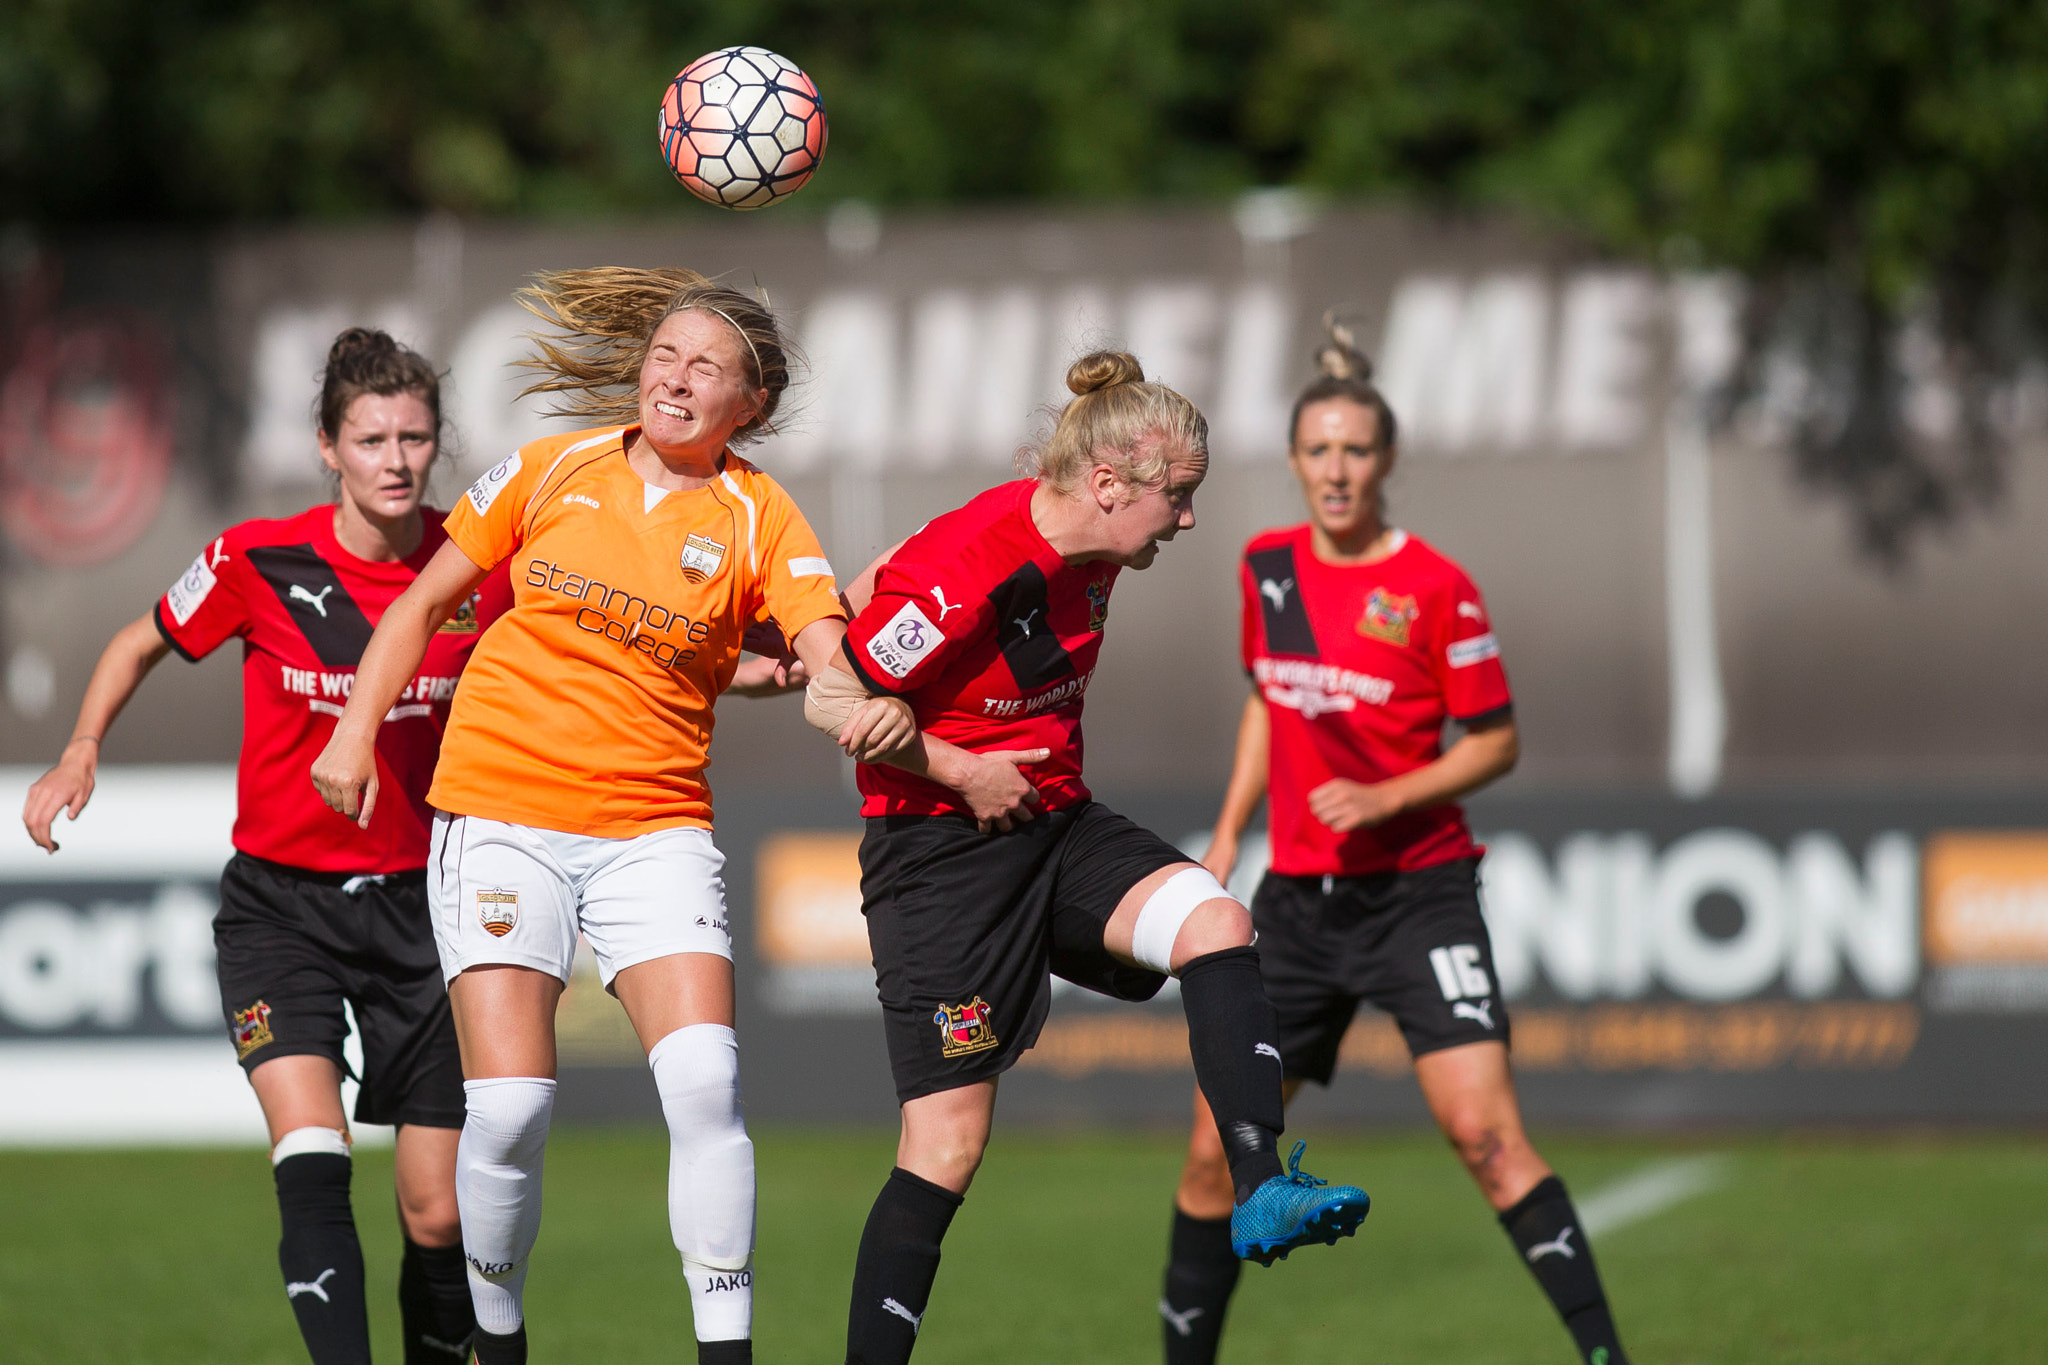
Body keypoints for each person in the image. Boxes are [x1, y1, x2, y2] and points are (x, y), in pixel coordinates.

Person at [309, 268, 908, 1365]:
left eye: (705, 369)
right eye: (665, 356)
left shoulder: (760, 517)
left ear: (750, 404)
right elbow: (424, 601)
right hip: (496, 811)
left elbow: (819, 649)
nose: (674, 379)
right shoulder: (554, 467)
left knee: (705, 1087)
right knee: (510, 1113)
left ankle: (724, 1353)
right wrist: (354, 730)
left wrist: (845, 694)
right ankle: (497, 1339)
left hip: (653, 827)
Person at [804, 351, 1372, 1365]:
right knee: (945, 1146)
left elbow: (888, 568)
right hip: (938, 852)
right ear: (1108, 485)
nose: (1188, 520)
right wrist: (959, 768)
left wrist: (842, 611)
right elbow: (833, 698)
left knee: (1215, 919)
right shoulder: (976, 561)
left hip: (1055, 825)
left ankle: (1259, 1190)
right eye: (1178, 497)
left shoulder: (1095, 542)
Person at [1154, 322, 1632, 1365]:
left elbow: (1496, 741)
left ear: (1385, 462)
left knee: (1486, 1139)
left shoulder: (1434, 585)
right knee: (1210, 1159)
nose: (1335, 469)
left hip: (1417, 894)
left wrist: (1385, 798)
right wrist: (1230, 832)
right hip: (1294, 906)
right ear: (1292, 460)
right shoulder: (1264, 567)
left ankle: (1604, 1357)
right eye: (1317, 450)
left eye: (1355, 451)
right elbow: (1264, 705)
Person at [21, 328, 502, 1365]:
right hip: (280, 910)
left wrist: (751, 668)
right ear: (327, 447)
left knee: (434, 1212)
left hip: (428, 914)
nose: (396, 458)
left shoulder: (475, 571)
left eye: (415, 437)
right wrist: (80, 749)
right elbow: (140, 638)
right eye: (370, 437)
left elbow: (590, 649)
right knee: (312, 1151)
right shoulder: (256, 559)